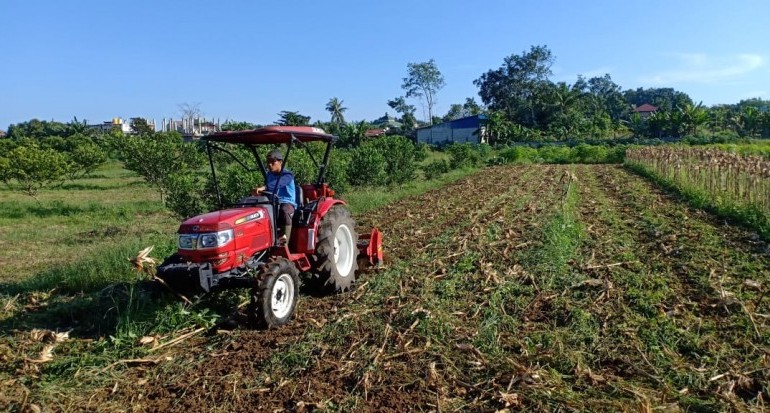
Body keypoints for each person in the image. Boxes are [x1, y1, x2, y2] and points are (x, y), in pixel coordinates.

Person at [252, 148, 296, 245]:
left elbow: (278, 183)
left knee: (284, 211)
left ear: (280, 162)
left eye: (273, 162)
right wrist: (258, 193)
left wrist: (264, 187)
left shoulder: (288, 174)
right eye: (268, 162)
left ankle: (284, 243)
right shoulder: (269, 175)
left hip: (286, 202)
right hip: (273, 202)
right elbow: (268, 190)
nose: (269, 164)